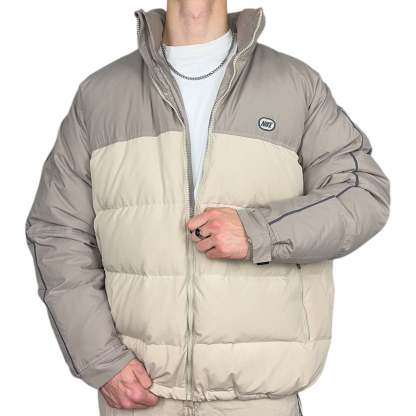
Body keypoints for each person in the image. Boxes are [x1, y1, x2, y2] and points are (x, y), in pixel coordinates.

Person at [25, 1, 390, 415]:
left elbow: (363, 194)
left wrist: (259, 231)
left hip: (259, 399)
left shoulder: (294, 85)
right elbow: (57, 230)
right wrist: (100, 358)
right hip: (141, 396)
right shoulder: (101, 95)